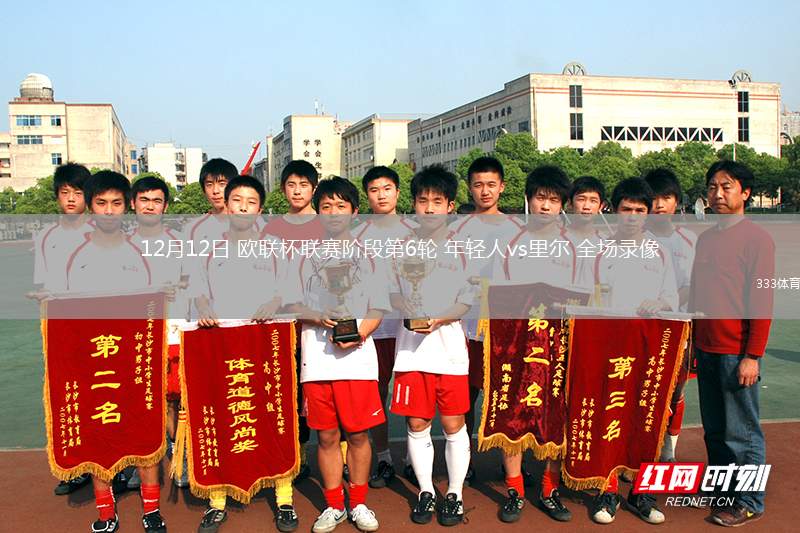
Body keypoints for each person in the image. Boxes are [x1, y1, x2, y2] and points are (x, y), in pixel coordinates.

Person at [193, 175, 301, 533]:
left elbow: (289, 289)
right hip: (222, 344)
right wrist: (204, 306)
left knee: (273, 415)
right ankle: (217, 500)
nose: (243, 207)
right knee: (224, 415)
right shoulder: (209, 248)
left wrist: (274, 301)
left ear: (260, 208)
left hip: (264, 343)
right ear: (226, 204)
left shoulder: (276, 248)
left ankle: (284, 497)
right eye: (236, 200)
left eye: (251, 202)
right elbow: (198, 290)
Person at [64, 171, 166, 533]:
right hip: (94, 361)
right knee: (99, 436)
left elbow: (157, 301)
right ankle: (106, 513)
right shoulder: (75, 253)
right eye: (101, 203)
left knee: (144, 434)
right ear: (91, 207)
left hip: (135, 359)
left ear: (127, 207)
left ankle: (151, 510)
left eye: (116, 204)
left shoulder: (143, 249)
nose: (109, 211)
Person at [291, 177, 388, 533]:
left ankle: (358, 502)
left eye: (341, 206)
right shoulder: (303, 256)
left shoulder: (370, 256)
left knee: (359, 435)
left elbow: (378, 306)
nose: (333, 213)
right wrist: (317, 316)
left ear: (355, 212)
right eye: (326, 207)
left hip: (357, 362)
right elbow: (291, 304)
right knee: (327, 437)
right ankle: (334, 505)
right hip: (317, 362)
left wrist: (360, 333)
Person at [488, 166, 578, 523]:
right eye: (540, 198)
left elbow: (586, 294)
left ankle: (549, 488)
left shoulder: (574, 246)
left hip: (558, 345)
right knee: (512, 413)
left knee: (557, 413)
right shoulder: (510, 243)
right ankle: (515, 490)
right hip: (517, 344)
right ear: (528, 199)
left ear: (562, 205)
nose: (545, 206)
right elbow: (495, 293)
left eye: (553, 200)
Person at [390, 165, 475, 527]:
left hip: (450, 353)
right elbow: (392, 294)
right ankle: (426, 490)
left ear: (450, 205)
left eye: (437, 201)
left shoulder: (463, 248)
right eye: (422, 200)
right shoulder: (401, 247)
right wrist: (405, 306)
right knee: (417, 423)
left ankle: (454, 493)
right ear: (414, 204)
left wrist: (440, 318)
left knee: (454, 424)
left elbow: (467, 300)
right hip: (412, 352)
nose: (428, 208)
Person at [690, 160, 773, 527]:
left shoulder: (757, 240)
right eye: (712, 187)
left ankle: (750, 500)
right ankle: (723, 490)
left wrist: (752, 355)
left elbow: (762, 301)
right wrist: (693, 341)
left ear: (746, 193)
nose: (718, 194)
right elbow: (697, 292)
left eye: (726, 187)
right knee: (715, 430)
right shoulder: (706, 238)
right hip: (706, 348)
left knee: (743, 431)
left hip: (736, 352)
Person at [590, 177, 677, 525]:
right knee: (608, 419)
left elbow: (671, 298)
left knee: (647, 419)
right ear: (614, 210)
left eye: (640, 210)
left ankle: (644, 494)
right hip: (608, 349)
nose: (633, 216)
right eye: (626, 209)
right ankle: (607, 491)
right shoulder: (598, 251)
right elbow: (585, 296)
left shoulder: (660, 252)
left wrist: (659, 302)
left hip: (647, 349)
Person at [447, 157, 523, 487]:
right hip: (464, 331)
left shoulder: (517, 230)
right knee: (465, 401)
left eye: (491, 184)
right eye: (478, 185)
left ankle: (513, 474)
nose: (485, 191)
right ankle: (464, 463)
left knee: (507, 400)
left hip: (505, 333)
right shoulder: (457, 231)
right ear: (470, 188)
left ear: (502, 186)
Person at [260, 160, 326, 482]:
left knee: (323, 391)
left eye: (303, 185)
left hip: (321, 324)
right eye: (291, 185)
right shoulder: (272, 229)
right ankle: (295, 456)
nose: (297, 191)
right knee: (288, 392)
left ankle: (338, 455)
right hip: (284, 325)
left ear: (314, 188)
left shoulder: (328, 225)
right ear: (283, 188)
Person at [127, 176, 194, 490]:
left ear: (165, 206)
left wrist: (179, 287)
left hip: (172, 333)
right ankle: (138, 461)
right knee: (137, 402)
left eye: (156, 201)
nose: (150, 206)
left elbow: (194, 284)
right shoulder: (120, 244)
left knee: (174, 400)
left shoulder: (180, 243)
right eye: (144, 200)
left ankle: (179, 456)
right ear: (133, 204)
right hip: (135, 337)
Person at [31, 162, 94, 495]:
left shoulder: (102, 233)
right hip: (63, 329)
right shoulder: (46, 237)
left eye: (78, 193)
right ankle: (76, 467)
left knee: (106, 395)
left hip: (100, 327)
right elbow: (44, 284)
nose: (71, 199)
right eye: (65, 192)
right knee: (70, 397)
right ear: (57, 196)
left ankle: (118, 466)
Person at [353, 166, 415, 489]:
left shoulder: (415, 232)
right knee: (376, 396)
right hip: (373, 331)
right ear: (367, 196)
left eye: (387, 188)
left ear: (397, 192)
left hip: (409, 329)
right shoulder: (357, 236)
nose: (381, 195)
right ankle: (384, 458)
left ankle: (414, 459)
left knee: (412, 397)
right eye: (374, 190)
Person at [644, 168, 697, 462]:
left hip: (677, 328)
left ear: (676, 200)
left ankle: (668, 449)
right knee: (641, 390)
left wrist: (666, 303)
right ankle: (636, 452)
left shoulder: (688, 240)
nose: (659, 204)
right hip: (641, 327)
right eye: (653, 198)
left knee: (675, 391)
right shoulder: (635, 240)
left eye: (666, 197)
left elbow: (693, 285)